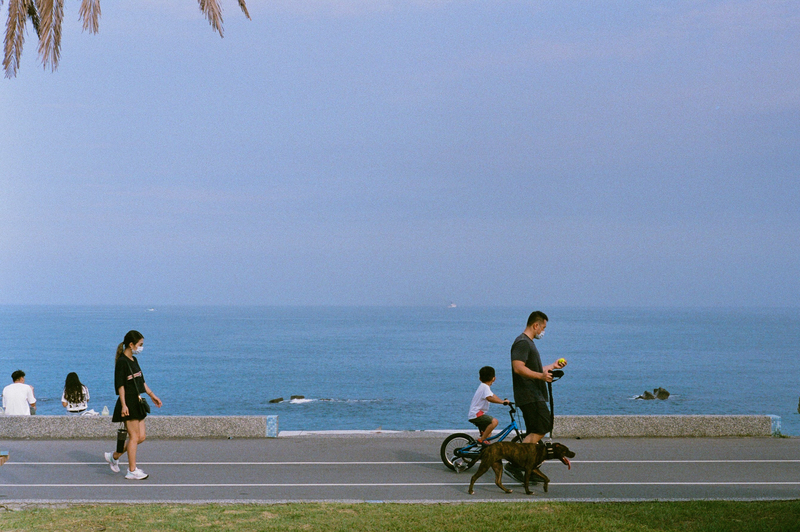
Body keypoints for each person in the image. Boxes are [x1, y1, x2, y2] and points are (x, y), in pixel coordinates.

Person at [506, 311, 566, 481]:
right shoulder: (522, 343)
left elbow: (535, 370)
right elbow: (518, 368)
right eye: (543, 327)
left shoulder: (528, 343)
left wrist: (552, 366)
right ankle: (516, 465)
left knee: (534, 431)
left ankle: (527, 467)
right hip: (529, 395)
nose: (543, 331)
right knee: (543, 426)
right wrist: (541, 376)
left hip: (533, 394)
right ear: (535, 325)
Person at [104, 330, 162, 480]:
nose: (141, 348)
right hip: (128, 402)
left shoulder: (134, 361)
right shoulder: (122, 362)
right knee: (134, 436)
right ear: (131, 344)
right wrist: (123, 405)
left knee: (141, 437)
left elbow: (141, 382)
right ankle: (132, 470)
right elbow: (121, 386)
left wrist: (152, 395)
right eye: (140, 345)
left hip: (137, 401)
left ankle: (114, 456)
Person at [467, 366, 509, 444]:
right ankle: (481, 439)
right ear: (494, 378)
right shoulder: (485, 387)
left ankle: (484, 446)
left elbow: (493, 395)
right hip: (476, 415)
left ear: (480, 378)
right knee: (494, 422)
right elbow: (490, 398)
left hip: (476, 414)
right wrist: (502, 402)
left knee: (488, 434)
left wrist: (503, 401)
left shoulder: (484, 387)